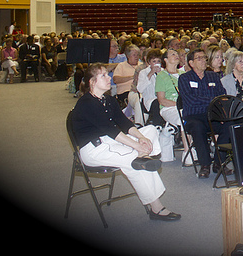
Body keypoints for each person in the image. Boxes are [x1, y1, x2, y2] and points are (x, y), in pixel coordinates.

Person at [69, 63, 180, 221]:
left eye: (108, 75)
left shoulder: (108, 100)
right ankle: (156, 207)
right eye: (104, 76)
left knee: (150, 130)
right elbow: (111, 130)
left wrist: (141, 138)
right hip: (94, 149)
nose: (109, 79)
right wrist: (135, 145)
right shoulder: (87, 103)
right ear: (92, 82)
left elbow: (124, 123)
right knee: (132, 158)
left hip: (111, 143)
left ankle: (145, 155)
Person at [178, 49, 228, 179]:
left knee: (229, 126)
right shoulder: (184, 78)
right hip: (194, 116)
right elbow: (190, 100)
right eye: (199, 58)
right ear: (191, 63)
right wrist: (213, 100)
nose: (203, 60)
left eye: (204, 58)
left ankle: (219, 162)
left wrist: (213, 103)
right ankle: (205, 164)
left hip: (213, 115)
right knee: (197, 127)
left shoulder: (213, 76)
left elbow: (222, 95)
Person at [154, 48, 190, 161]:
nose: (176, 56)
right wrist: (179, 105)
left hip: (186, 106)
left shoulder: (184, 74)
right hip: (168, 108)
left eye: (177, 54)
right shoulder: (161, 76)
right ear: (166, 59)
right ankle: (188, 151)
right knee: (184, 116)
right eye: (173, 54)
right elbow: (162, 100)